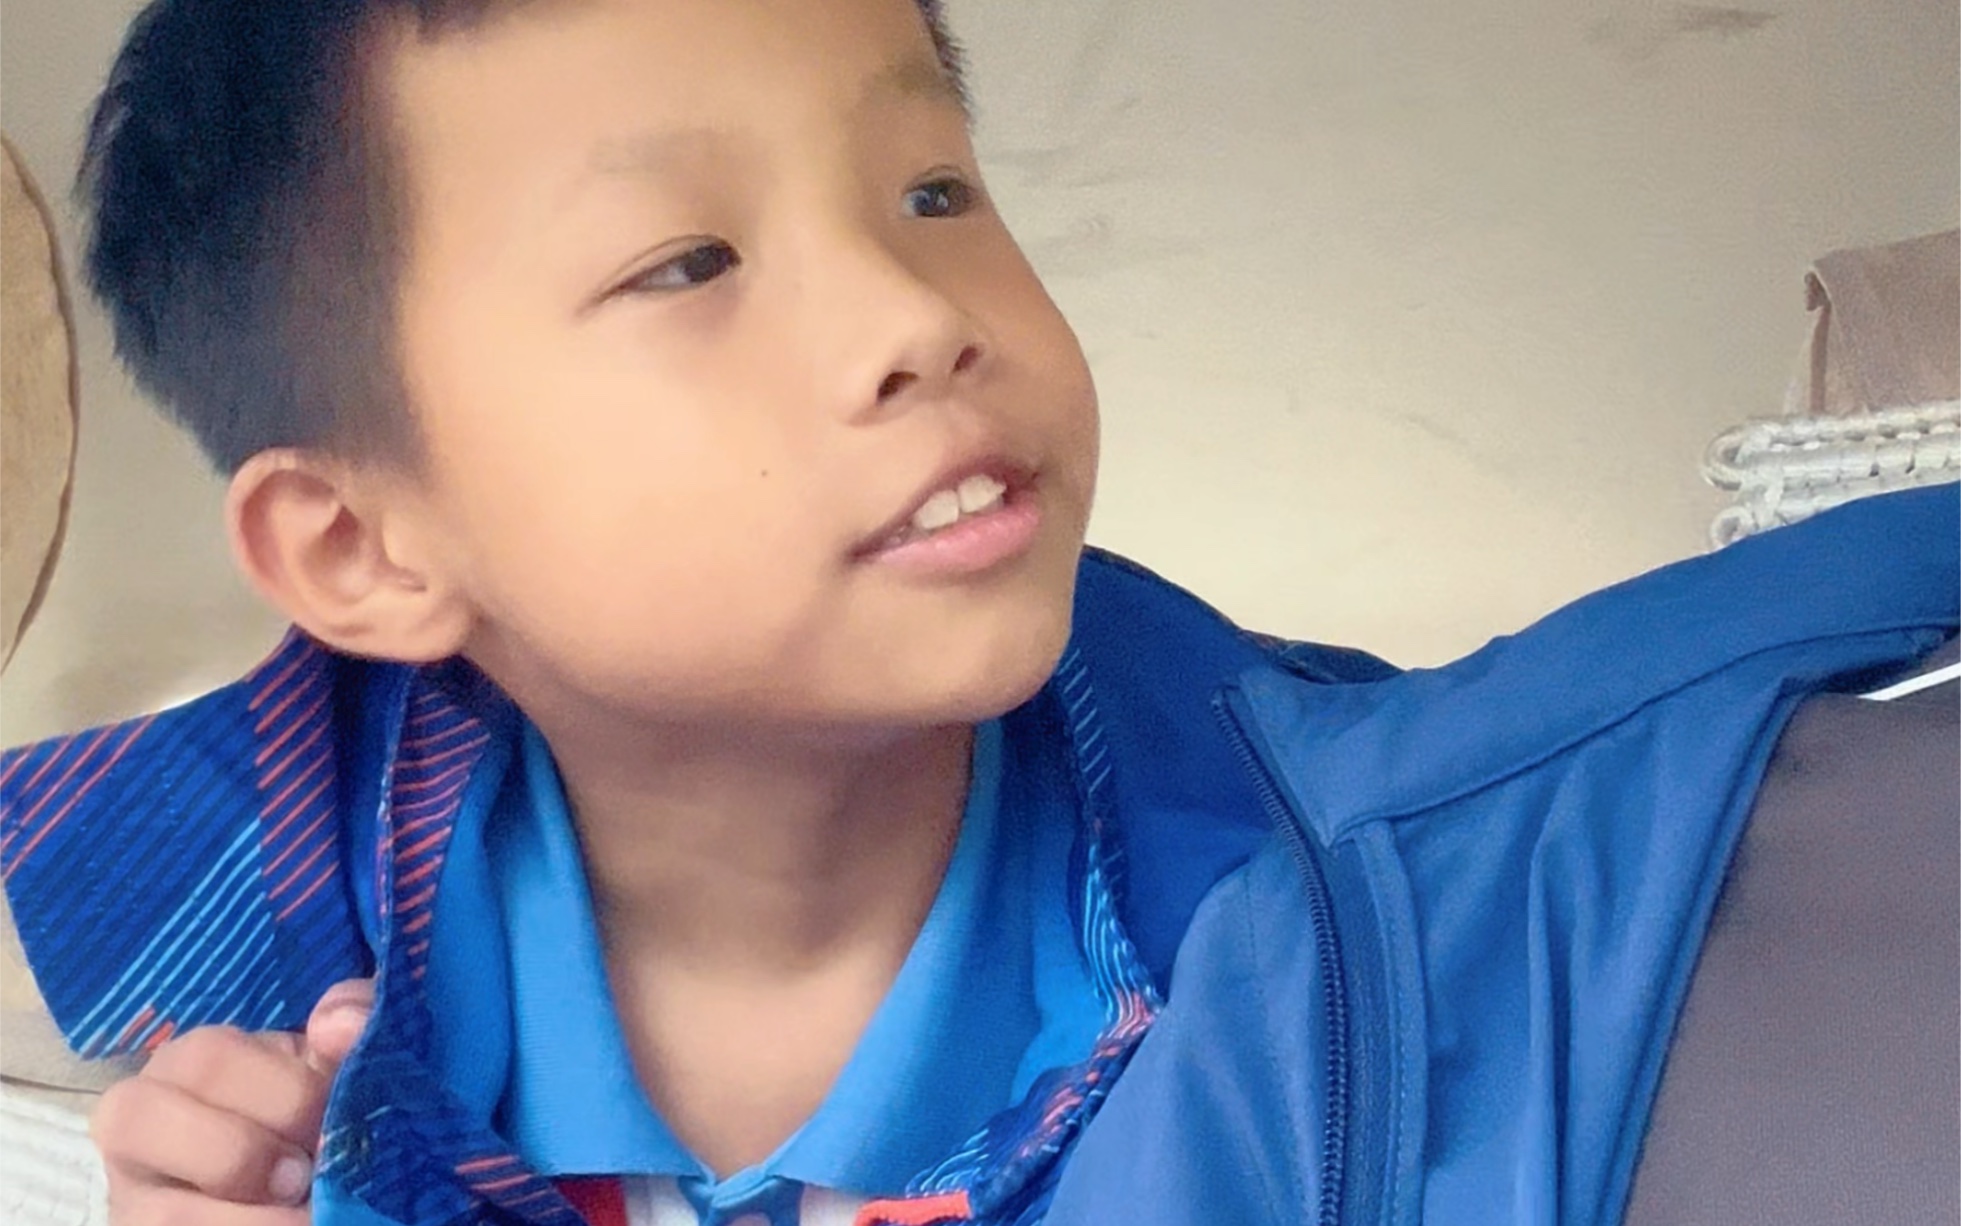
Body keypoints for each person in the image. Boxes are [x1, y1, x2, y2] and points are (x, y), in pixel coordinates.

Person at [1, 1, 1953, 1224]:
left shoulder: (1356, 930)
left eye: (932, 189)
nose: (917, 314)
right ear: (363, 550)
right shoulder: (266, 922)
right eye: (689, 260)